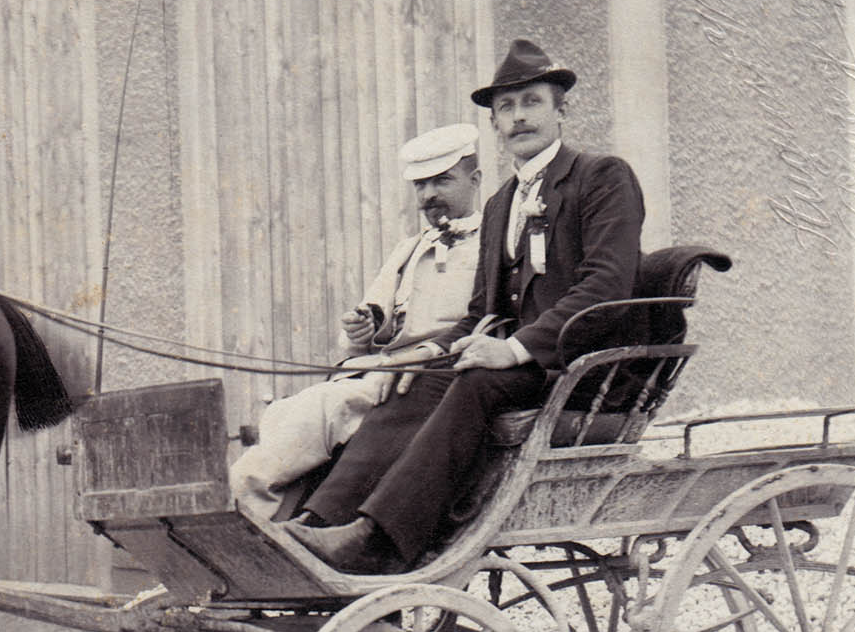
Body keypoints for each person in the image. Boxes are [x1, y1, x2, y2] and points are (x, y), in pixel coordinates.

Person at [285, 39, 646, 572]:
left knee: (476, 380)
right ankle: (318, 527)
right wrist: (418, 354)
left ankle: (375, 541)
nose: (519, 116)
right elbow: (481, 312)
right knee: (419, 376)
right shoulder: (502, 202)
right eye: (506, 108)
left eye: (532, 102)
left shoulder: (601, 177)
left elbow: (607, 288)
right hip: (523, 370)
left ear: (560, 109)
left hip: (585, 371)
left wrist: (517, 348)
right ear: (495, 124)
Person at [229, 124, 486, 526]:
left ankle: (247, 509)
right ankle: (274, 526)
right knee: (285, 413)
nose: (430, 195)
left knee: (322, 409)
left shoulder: (492, 243)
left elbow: (488, 318)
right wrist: (363, 328)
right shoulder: (410, 249)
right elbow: (375, 313)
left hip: (435, 377)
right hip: (383, 371)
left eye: (442, 180)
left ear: (475, 181)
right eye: (421, 185)